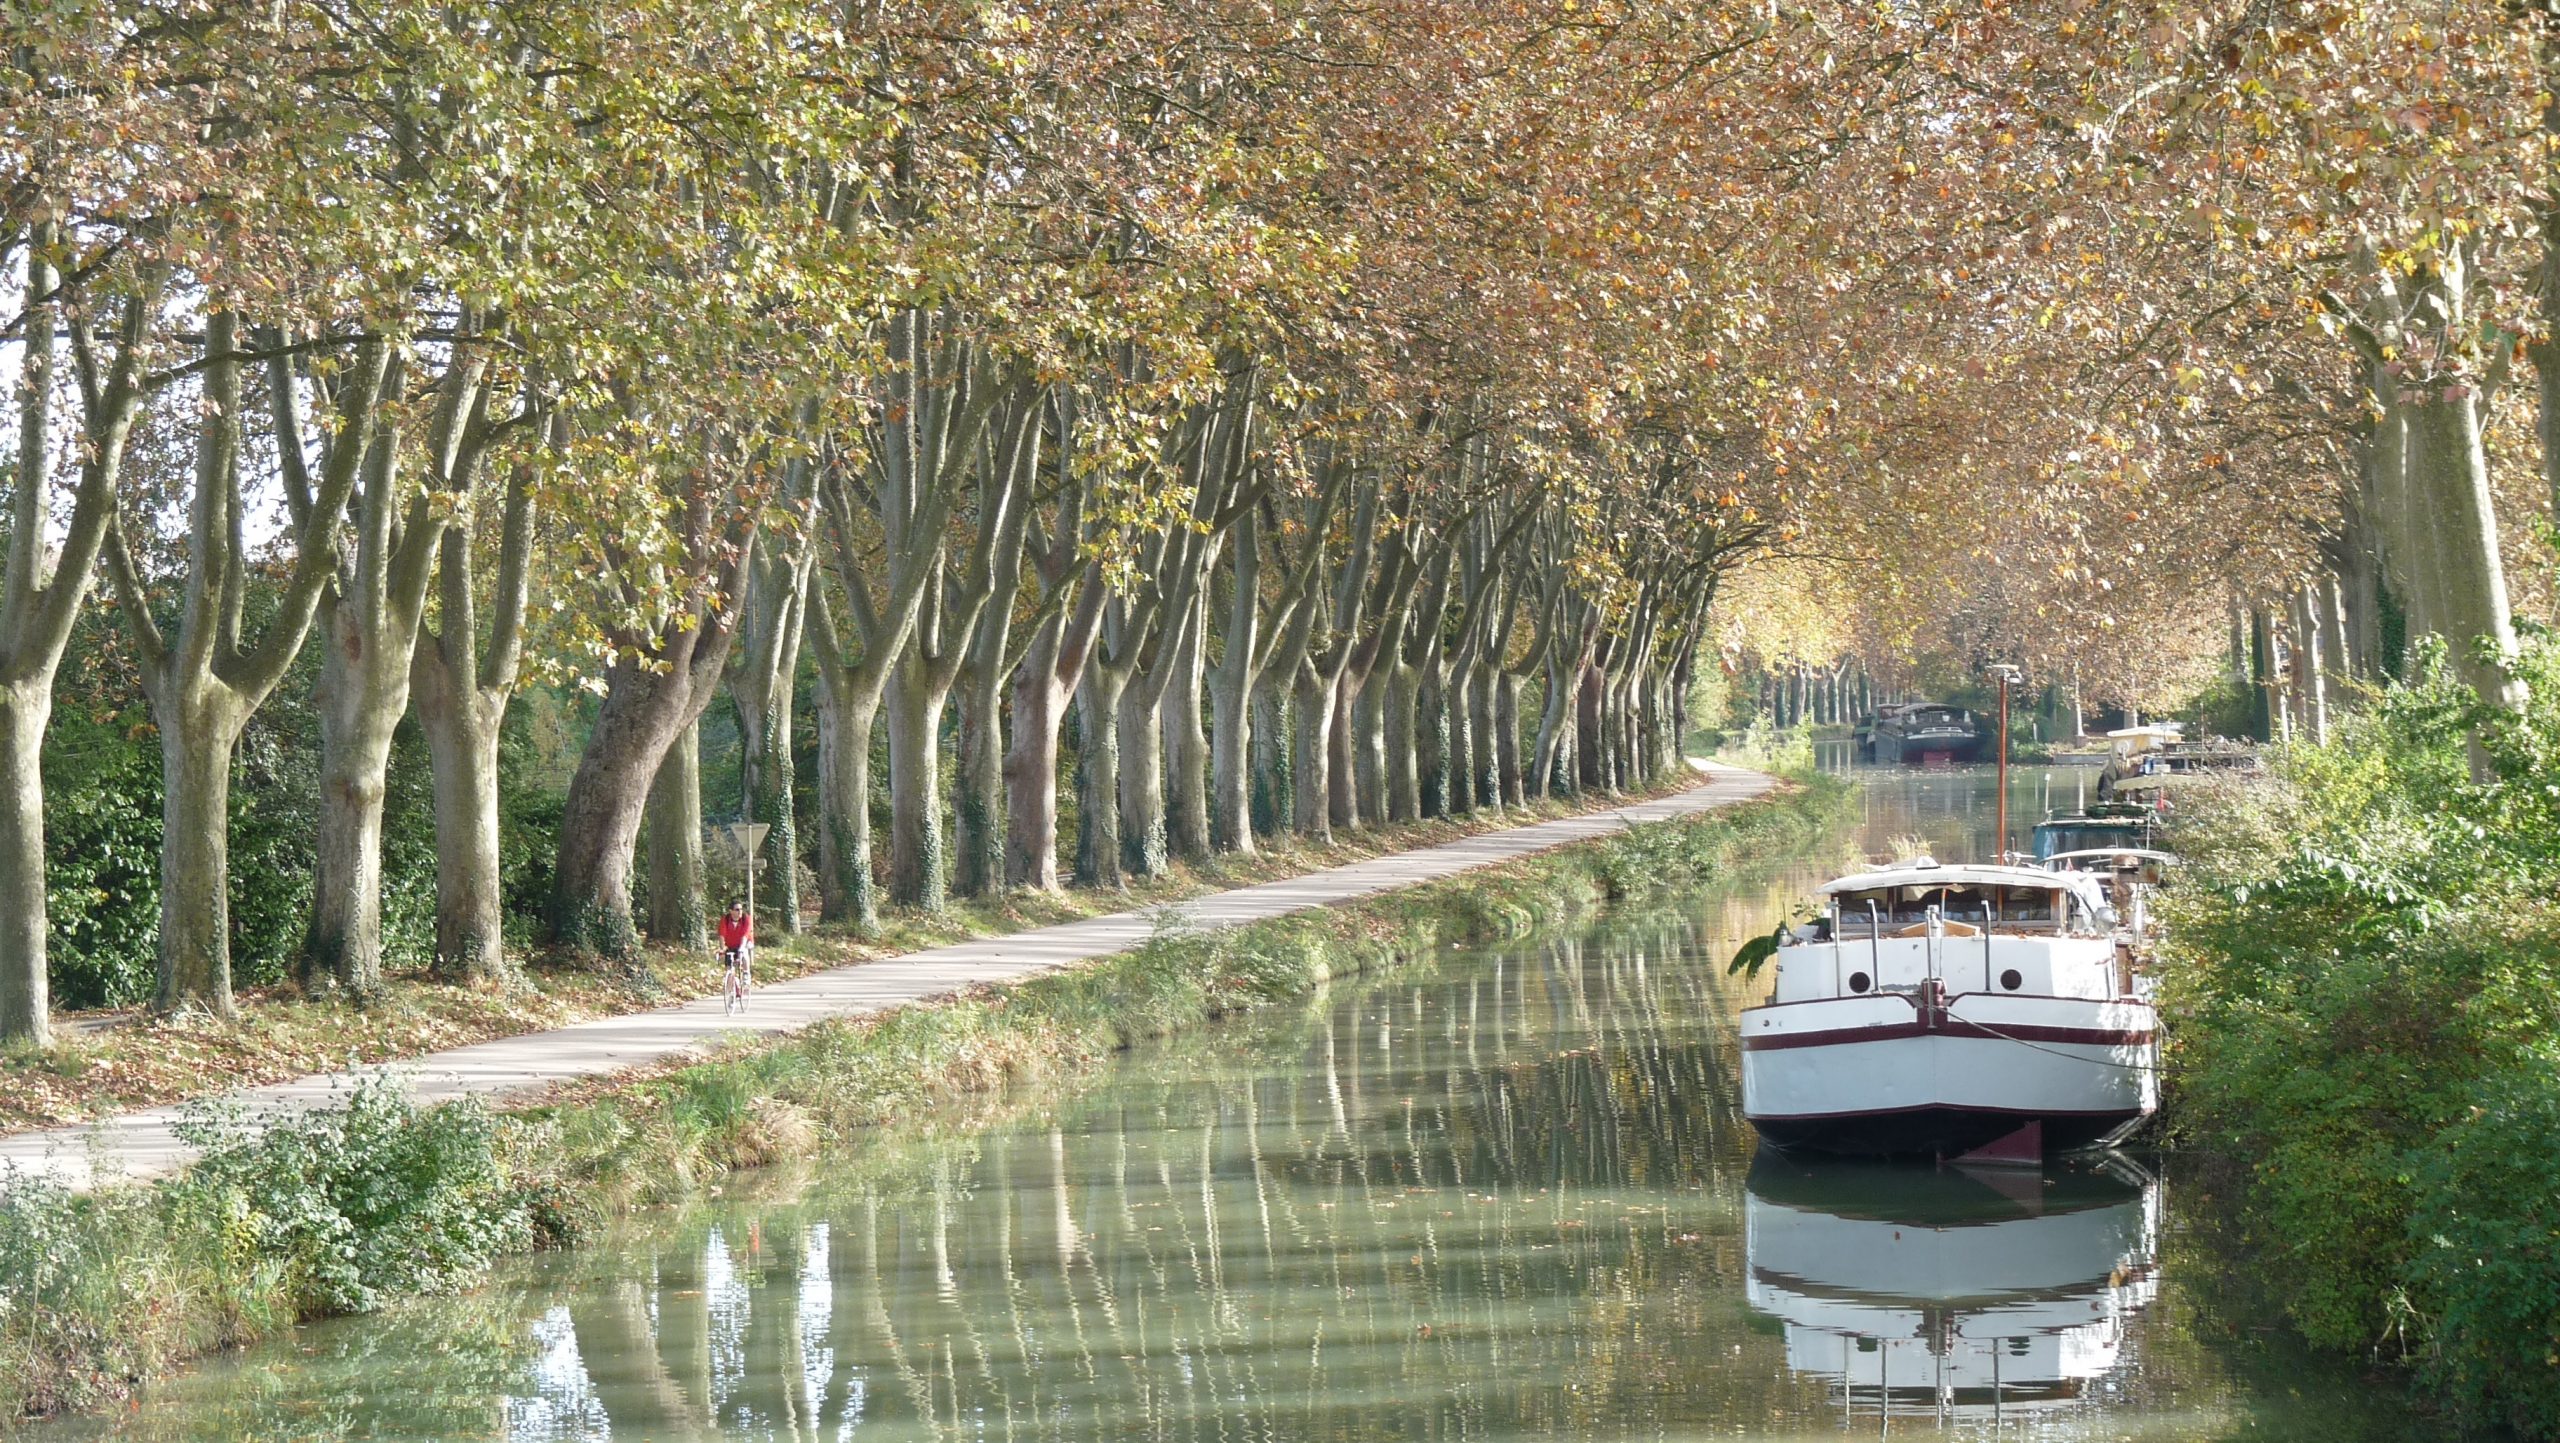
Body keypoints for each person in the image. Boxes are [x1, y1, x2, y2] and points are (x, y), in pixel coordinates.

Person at [718, 900, 753, 974]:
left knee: (744, 953)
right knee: (729, 968)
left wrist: (742, 947)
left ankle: (746, 974)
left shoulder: (746, 918)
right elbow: (722, 935)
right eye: (737, 910)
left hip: (745, 942)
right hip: (730, 945)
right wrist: (722, 949)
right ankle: (729, 983)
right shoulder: (725, 919)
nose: (740, 911)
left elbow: (745, 934)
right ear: (731, 911)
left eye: (741, 909)